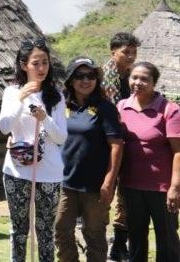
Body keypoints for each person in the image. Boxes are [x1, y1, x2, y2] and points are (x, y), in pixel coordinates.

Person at [0, 38, 67, 262]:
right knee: (18, 230)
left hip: (50, 172)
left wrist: (44, 118)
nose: (41, 68)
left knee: (46, 231)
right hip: (17, 171)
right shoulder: (11, 92)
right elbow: (4, 127)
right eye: (36, 63)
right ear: (23, 65)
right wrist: (21, 98)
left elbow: (61, 137)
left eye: (45, 63)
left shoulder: (56, 96)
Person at [54, 57, 123, 262]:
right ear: (70, 80)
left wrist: (109, 182)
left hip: (95, 186)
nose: (86, 80)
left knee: (94, 235)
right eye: (79, 76)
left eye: (91, 75)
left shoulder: (105, 108)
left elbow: (116, 145)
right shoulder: (61, 106)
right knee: (61, 229)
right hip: (65, 182)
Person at [117, 61, 180, 262]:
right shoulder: (122, 107)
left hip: (161, 188)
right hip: (131, 185)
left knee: (167, 238)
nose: (138, 82)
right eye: (134, 77)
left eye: (144, 79)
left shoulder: (169, 110)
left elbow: (178, 152)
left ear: (154, 83)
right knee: (135, 237)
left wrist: (175, 187)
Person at [101, 32, 140, 260]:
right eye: (126, 52)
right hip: (109, 142)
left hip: (125, 141)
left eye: (133, 52)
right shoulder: (108, 73)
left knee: (125, 195)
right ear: (112, 51)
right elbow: (115, 111)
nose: (130, 56)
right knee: (107, 190)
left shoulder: (130, 75)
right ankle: (101, 243)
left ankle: (119, 244)